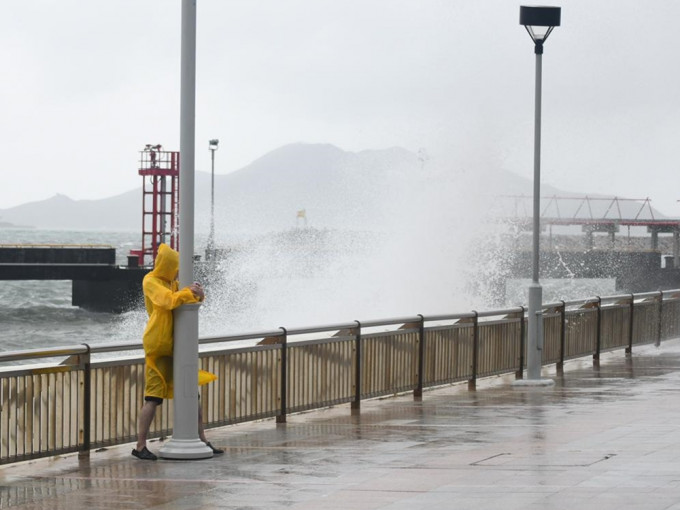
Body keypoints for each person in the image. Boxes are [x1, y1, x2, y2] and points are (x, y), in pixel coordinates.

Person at [132, 243, 224, 460]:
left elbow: (186, 300)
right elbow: (168, 301)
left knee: (193, 394)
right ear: (167, 265)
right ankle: (140, 445)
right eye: (175, 267)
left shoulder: (174, 283)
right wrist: (187, 292)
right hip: (159, 345)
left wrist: (200, 295)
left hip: (178, 344)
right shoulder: (151, 281)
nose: (177, 272)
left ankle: (202, 438)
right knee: (153, 397)